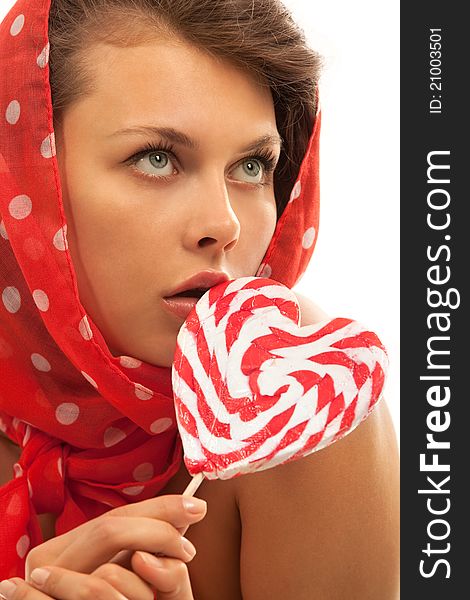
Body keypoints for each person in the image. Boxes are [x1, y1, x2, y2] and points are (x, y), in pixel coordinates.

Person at [0, 0, 399, 598]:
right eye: (156, 158)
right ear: (25, 173)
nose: (225, 224)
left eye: (252, 165)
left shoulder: (298, 405)